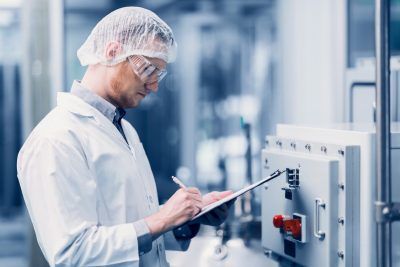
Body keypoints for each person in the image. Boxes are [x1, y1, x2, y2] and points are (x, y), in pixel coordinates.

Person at [17, 7, 234, 267]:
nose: (154, 86)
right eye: (148, 70)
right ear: (112, 52)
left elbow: (134, 227)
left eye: (159, 75)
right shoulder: (56, 139)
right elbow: (71, 253)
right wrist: (163, 218)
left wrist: (185, 221)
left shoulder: (123, 130)